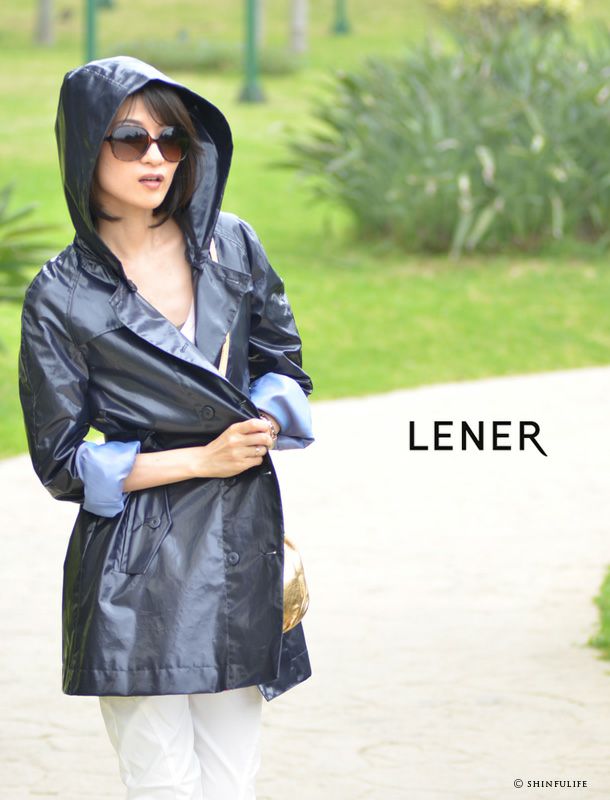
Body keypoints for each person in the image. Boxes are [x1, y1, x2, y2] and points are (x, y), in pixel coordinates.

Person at [18, 56, 314, 800]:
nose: (155, 157)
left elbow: (281, 362)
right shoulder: (61, 294)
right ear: (86, 146)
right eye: (129, 139)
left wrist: (262, 421)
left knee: (233, 780)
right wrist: (201, 459)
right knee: (163, 786)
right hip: (134, 563)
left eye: (171, 140)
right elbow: (60, 461)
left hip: (237, 540)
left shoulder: (232, 244)